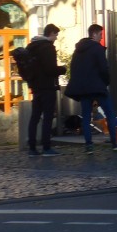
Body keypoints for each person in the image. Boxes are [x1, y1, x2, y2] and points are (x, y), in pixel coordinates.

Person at [64, 24, 115, 152]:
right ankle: (115, 143)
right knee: (110, 113)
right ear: (94, 34)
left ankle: (89, 145)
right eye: (100, 35)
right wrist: (106, 82)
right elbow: (104, 68)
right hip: (98, 87)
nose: (101, 37)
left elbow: (73, 69)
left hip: (84, 89)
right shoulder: (97, 48)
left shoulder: (78, 50)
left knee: (86, 116)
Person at [26, 23, 66, 156]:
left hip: (35, 88)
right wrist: (62, 69)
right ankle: (46, 147)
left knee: (35, 117)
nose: (56, 38)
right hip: (47, 87)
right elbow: (50, 69)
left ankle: (32, 148)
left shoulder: (32, 47)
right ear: (51, 34)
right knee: (48, 118)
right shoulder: (47, 48)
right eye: (56, 35)